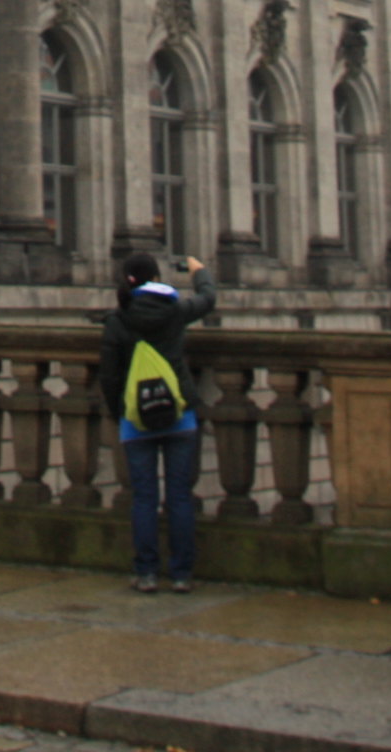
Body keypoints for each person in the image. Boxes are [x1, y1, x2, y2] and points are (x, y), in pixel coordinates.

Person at [96, 251, 216, 593]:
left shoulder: (117, 321)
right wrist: (199, 272)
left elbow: (109, 377)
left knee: (144, 498)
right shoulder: (174, 312)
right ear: (155, 278)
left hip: (136, 418)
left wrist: (121, 411)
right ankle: (181, 574)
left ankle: (147, 572)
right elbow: (207, 299)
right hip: (178, 413)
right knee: (179, 497)